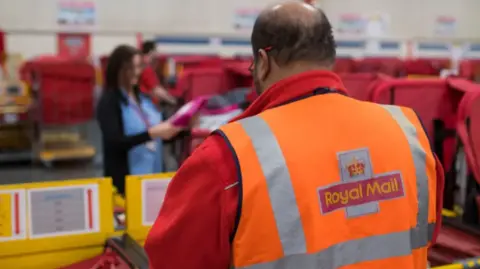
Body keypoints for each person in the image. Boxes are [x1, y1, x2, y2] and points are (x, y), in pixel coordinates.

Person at [145, 2, 445, 269]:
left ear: (263, 62)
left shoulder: (227, 155)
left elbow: (171, 259)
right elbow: (427, 237)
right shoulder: (408, 132)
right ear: (329, 58)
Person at [96, 45, 182, 195]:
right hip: (126, 184)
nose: (137, 72)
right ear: (119, 70)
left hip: (153, 178)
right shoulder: (110, 102)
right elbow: (115, 142)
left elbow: (158, 136)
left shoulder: (143, 99)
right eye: (132, 68)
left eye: (139, 66)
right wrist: (151, 134)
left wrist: (180, 129)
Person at [139, 40, 176, 105]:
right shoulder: (147, 68)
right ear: (151, 51)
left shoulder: (141, 64)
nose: (158, 53)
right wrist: (172, 100)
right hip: (147, 104)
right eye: (156, 50)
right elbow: (156, 90)